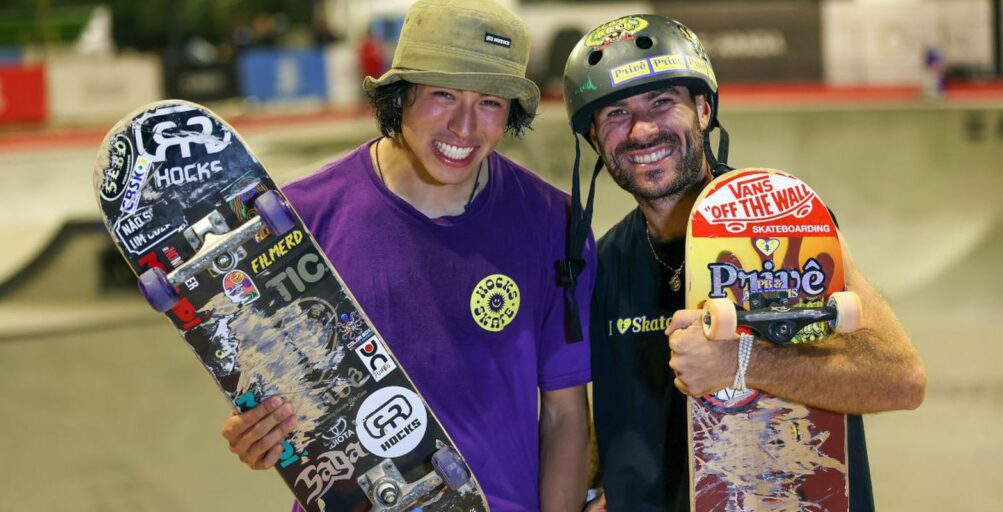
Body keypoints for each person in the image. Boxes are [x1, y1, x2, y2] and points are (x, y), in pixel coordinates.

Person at [220, 1, 594, 510]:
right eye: (443, 94)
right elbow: (272, 391)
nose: (464, 127)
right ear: (400, 96)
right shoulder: (302, 219)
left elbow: (565, 416)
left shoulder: (555, 223)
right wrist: (259, 430)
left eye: (489, 102)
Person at [559, 15, 927, 511]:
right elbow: (614, 406)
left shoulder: (786, 224)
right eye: (616, 114)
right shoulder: (602, 263)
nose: (642, 130)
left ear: (704, 109)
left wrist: (742, 363)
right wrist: (598, 490)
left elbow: (899, 380)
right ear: (595, 141)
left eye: (662, 102)